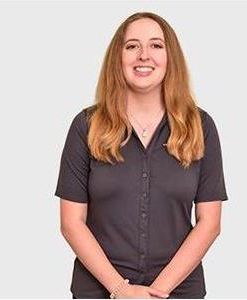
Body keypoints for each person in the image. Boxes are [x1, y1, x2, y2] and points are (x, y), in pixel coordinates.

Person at [54, 11, 228, 299]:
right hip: (99, 290)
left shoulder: (201, 127)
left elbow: (210, 222)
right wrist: (120, 289)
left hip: (178, 290)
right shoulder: (85, 126)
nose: (144, 55)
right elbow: (71, 222)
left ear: (170, 57)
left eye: (156, 45)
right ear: (118, 58)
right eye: (132, 46)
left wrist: (158, 292)